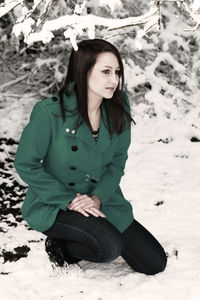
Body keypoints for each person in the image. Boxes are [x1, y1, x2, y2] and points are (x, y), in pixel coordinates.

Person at [14, 39, 167, 275]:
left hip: (101, 199)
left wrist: (97, 198)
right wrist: (68, 200)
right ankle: (61, 247)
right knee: (108, 247)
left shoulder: (118, 106)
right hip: (57, 203)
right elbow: (26, 163)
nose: (114, 79)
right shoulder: (49, 113)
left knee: (154, 263)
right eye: (105, 71)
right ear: (83, 71)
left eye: (117, 72)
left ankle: (88, 233)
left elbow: (117, 162)